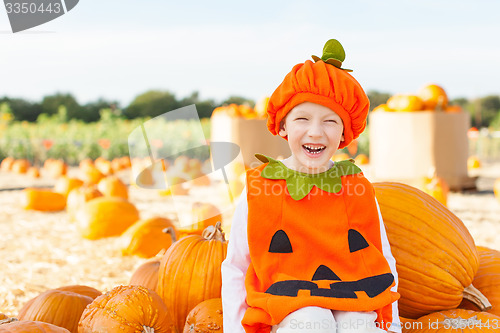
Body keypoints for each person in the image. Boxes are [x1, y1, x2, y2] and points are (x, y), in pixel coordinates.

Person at [221, 39, 401, 333]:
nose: (315, 132)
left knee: (360, 326)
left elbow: (382, 258)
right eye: (302, 118)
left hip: (354, 293)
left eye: (330, 121)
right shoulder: (261, 188)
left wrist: (391, 326)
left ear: (345, 133)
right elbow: (237, 266)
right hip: (285, 300)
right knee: (311, 321)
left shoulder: (355, 187)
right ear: (282, 126)